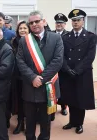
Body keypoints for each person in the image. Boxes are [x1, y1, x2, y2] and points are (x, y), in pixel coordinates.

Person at [16, 10, 63, 140]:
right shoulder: (24, 41)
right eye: (31, 22)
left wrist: (41, 80)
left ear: (44, 21)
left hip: (48, 87)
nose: (34, 24)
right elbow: (20, 61)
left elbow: (58, 61)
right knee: (29, 122)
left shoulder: (56, 38)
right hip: (29, 87)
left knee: (46, 122)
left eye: (37, 21)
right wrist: (32, 77)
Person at [60, 9, 97, 134]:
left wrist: (77, 70)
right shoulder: (65, 37)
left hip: (82, 73)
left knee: (81, 98)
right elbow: (62, 55)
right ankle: (72, 121)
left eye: (78, 20)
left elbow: (90, 57)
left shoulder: (91, 36)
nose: (75, 22)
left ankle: (79, 123)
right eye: (73, 20)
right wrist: (67, 69)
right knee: (70, 98)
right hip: (68, 72)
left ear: (83, 21)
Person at [0, 12, 15, 128]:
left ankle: (6, 120)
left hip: (6, 70)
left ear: (4, 21)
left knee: (6, 100)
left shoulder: (11, 34)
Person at [11, 21, 30, 134]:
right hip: (17, 77)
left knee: (29, 103)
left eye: (25, 28)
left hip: (29, 77)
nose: (22, 30)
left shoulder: (33, 42)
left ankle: (29, 124)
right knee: (19, 102)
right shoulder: (14, 42)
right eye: (20, 28)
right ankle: (20, 123)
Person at [50, 13, 69, 121]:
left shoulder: (68, 35)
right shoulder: (50, 34)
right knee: (52, 88)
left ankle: (63, 107)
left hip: (64, 67)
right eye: (57, 22)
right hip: (52, 66)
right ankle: (52, 109)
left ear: (65, 24)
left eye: (61, 23)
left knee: (63, 88)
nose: (59, 24)